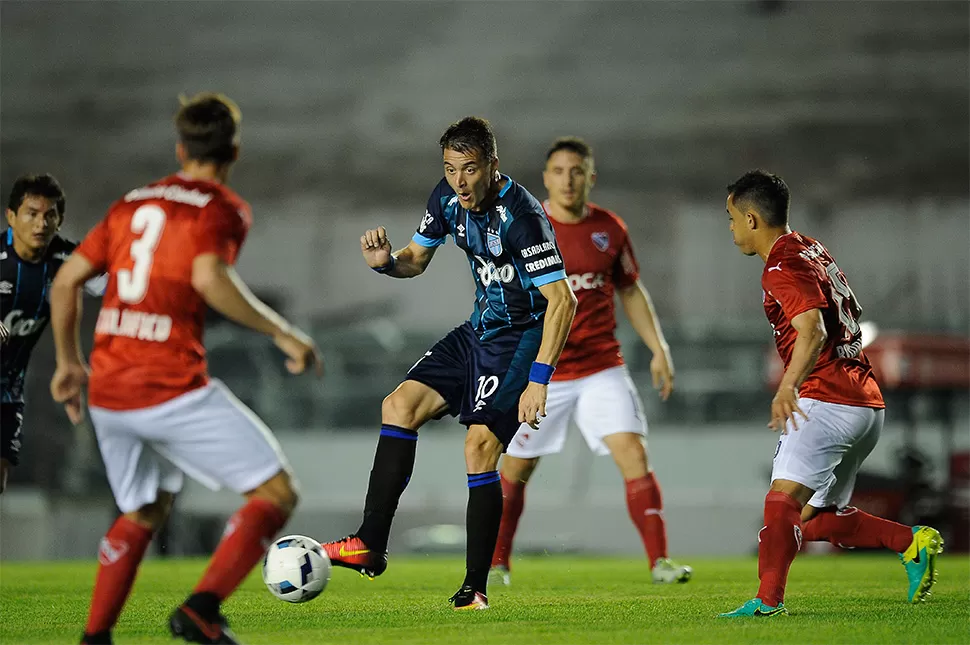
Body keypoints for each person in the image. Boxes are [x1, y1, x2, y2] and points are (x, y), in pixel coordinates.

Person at [49, 93, 321, 645]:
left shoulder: (129, 205)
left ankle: (94, 638)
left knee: (145, 509)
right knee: (276, 494)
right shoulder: (220, 208)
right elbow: (209, 279)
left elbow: (65, 281)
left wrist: (68, 363)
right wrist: (283, 332)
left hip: (110, 392)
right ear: (234, 152)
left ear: (180, 148)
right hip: (168, 387)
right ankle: (200, 611)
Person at [320, 116, 577, 610]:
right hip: (477, 331)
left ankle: (474, 587)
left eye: (470, 169)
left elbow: (562, 301)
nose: (459, 181)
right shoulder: (445, 198)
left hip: (520, 340)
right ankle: (369, 543)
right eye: (451, 168)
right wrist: (387, 264)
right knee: (398, 405)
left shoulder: (522, 217)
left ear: (492, 166)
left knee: (479, 447)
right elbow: (416, 258)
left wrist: (538, 380)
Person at [718, 170, 942, 618]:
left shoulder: (780, 266)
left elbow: (813, 329)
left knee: (780, 503)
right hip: (865, 401)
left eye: (730, 218)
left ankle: (766, 603)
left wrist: (788, 385)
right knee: (816, 518)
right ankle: (910, 543)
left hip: (827, 398)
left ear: (751, 218)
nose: (730, 228)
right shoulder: (811, 248)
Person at [489, 137, 692, 585]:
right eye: (558, 171)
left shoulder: (610, 229)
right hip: (542, 371)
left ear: (590, 177)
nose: (567, 180)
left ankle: (660, 562)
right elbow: (499, 295)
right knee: (515, 468)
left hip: (602, 366)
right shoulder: (522, 227)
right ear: (545, 179)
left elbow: (631, 290)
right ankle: (497, 563)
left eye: (576, 171)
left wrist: (660, 347)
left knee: (633, 453)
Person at [1, 173, 104, 494]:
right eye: (32, 213)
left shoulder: (68, 261)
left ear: (60, 221)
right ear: (11, 216)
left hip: (8, 388)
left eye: (50, 216)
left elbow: (119, 283)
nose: (40, 224)